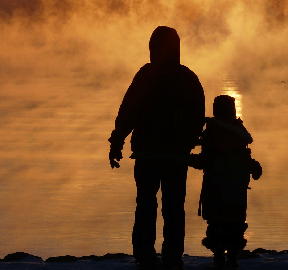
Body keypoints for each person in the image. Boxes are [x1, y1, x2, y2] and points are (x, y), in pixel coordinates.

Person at [108, 26, 205, 270]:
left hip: (147, 154)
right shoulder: (188, 78)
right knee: (173, 207)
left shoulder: (146, 74)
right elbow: (198, 117)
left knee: (146, 204)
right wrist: (188, 143)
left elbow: (128, 110)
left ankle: (144, 255)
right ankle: (172, 256)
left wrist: (117, 141)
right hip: (175, 156)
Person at [190, 95, 262, 269]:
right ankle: (232, 258)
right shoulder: (239, 131)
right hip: (237, 189)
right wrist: (255, 168)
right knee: (236, 224)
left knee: (216, 224)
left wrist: (184, 158)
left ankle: (218, 258)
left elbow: (204, 161)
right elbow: (246, 159)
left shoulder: (211, 132)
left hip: (214, 187)